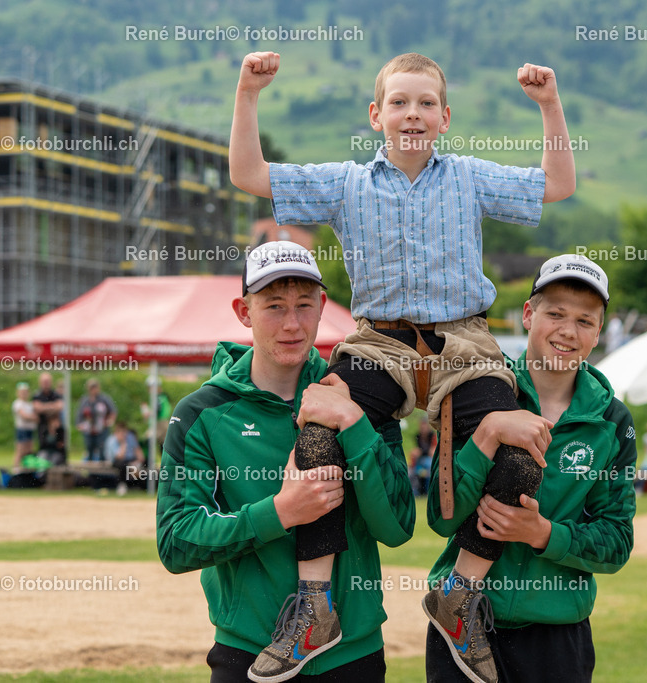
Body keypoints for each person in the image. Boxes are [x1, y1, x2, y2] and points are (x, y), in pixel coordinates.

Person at [230, 51, 575, 682]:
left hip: (465, 344)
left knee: (521, 448)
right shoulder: (345, 183)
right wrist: (248, 92)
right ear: (375, 115)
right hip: (378, 344)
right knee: (318, 429)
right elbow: (249, 173)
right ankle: (315, 605)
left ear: (445, 117)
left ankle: (460, 591)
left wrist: (550, 107)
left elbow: (557, 187)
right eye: (398, 102)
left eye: (424, 104)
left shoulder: (468, 177)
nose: (411, 113)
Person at [155, 242, 414, 682]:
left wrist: (352, 423)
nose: (292, 323)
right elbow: (177, 542)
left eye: (303, 305)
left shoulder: (361, 397)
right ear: (244, 311)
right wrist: (279, 513)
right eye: (274, 306)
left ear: (322, 307)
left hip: (353, 655)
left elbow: (397, 526)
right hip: (249, 653)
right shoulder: (202, 412)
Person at [424, 255, 636, 683]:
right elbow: (441, 516)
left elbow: (617, 541)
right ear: (528, 314)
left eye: (584, 320)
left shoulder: (612, 421)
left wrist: (543, 534)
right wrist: (485, 435)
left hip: (557, 638)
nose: (567, 331)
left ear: (598, 332)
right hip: (460, 626)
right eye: (555, 313)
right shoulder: (481, 391)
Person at [76, 378, 117, 462]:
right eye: (91, 388)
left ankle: (103, 472)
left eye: (95, 387)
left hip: (102, 429)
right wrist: (79, 424)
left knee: (102, 450)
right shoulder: (85, 400)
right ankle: (91, 471)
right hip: (88, 430)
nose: (93, 390)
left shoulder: (104, 399)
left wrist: (110, 421)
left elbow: (113, 411)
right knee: (89, 449)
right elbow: (79, 414)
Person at [104, 419, 142, 496]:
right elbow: (119, 456)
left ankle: (141, 485)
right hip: (116, 461)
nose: (124, 434)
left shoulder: (130, 437)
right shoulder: (112, 440)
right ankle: (122, 485)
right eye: (122, 432)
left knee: (146, 463)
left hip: (130, 461)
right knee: (123, 465)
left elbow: (138, 452)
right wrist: (123, 443)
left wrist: (138, 461)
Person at [32, 372, 64, 455]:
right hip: (43, 427)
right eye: (44, 382)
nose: (46, 384)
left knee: (58, 448)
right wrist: (52, 406)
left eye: (47, 381)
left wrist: (44, 407)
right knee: (43, 449)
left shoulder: (55, 394)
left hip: (55, 427)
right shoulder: (37, 394)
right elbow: (37, 408)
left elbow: (60, 406)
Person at [12, 381, 37, 467]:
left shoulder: (29, 404)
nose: (24, 394)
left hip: (29, 429)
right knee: (20, 450)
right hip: (22, 430)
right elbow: (24, 415)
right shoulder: (17, 403)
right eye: (22, 392)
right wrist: (33, 418)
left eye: (26, 392)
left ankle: (26, 468)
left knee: (29, 451)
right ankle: (16, 468)